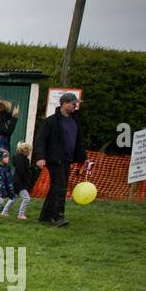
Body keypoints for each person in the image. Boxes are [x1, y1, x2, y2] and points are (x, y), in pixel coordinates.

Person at [33, 91, 86, 227]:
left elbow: (79, 141)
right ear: (64, 104)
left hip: (68, 159)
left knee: (56, 188)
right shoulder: (51, 121)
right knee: (60, 188)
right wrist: (40, 157)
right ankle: (58, 216)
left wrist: (81, 158)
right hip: (55, 159)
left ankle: (45, 216)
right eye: (73, 103)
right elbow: (40, 140)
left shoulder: (75, 120)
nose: (75, 106)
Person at [9, 142, 39, 221]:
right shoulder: (24, 160)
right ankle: (21, 214)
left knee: (13, 197)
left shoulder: (17, 158)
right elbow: (22, 172)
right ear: (26, 151)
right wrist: (27, 180)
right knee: (26, 198)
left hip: (16, 180)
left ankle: (4, 212)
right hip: (20, 182)